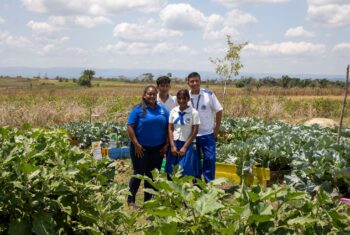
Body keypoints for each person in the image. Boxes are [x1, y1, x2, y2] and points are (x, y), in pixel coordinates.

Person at [126, 85, 169, 208]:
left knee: (151, 176)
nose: (152, 96)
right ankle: (131, 200)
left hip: (158, 149)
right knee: (138, 173)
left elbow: (168, 127)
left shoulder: (162, 110)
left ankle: (148, 201)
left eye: (154, 94)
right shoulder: (137, 110)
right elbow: (130, 126)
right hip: (140, 148)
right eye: (149, 94)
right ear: (144, 95)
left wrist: (166, 144)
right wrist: (136, 144)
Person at [187, 72, 223, 183]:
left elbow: (219, 110)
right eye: (192, 81)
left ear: (200, 82)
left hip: (207, 134)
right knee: (195, 160)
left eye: (196, 81)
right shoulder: (185, 96)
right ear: (188, 83)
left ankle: (209, 183)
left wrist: (216, 129)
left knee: (210, 159)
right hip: (191, 135)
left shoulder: (209, 95)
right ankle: (197, 183)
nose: (194, 83)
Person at [166, 89, 200, 177]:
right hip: (175, 142)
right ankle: (171, 189)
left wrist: (185, 147)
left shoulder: (194, 113)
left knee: (183, 168)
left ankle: (181, 189)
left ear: (188, 99)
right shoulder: (173, 111)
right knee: (171, 168)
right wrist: (172, 145)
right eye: (179, 98)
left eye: (184, 98)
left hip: (187, 143)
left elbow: (195, 131)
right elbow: (170, 128)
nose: (181, 101)